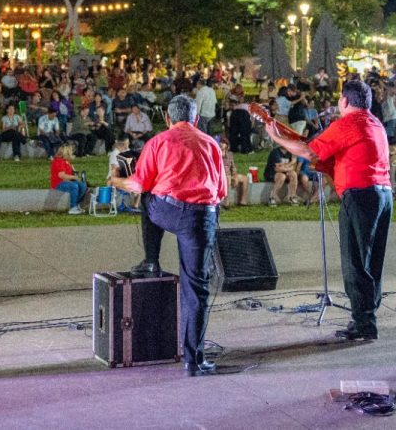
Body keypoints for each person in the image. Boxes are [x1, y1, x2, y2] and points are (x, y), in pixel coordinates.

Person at [110, 95, 226, 376]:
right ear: (196, 119)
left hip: (169, 212)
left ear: (167, 118)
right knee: (196, 288)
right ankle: (193, 361)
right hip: (203, 216)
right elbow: (221, 190)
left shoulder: (158, 142)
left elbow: (139, 183)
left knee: (149, 194)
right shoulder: (211, 144)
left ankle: (151, 258)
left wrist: (116, 180)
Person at [267, 80, 391, 341]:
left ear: (345, 101)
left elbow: (309, 152)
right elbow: (348, 155)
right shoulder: (374, 123)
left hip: (359, 195)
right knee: (372, 260)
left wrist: (276, 136)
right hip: (382, 193)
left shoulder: (347, 124)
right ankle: (367, 314)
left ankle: (364, 322)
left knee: (354, 261)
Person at [50, 143, 87, 214]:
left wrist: (74, 172)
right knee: (74, 186)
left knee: (82, 185)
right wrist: (74, 177)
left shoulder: (66, 161)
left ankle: (76, 204)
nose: (72, 153)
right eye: (71, 152)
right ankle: (72, 208)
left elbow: (71, 173)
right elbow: (62, 176)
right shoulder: (58, 161)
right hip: (58, 183)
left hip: (67, 181)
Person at [219, 138, 249, 209]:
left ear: (227, 145)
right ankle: (226, 203)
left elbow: (233, 166)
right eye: (220, 142)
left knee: (245, 178)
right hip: (220, 175)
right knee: (227, 178)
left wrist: (234, 174)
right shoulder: (216, 153)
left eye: (223, 143)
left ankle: (242, 201)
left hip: (229, 174)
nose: (221, 144)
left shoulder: (230, 154)